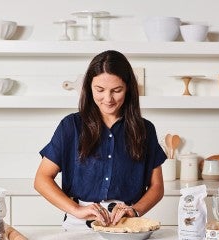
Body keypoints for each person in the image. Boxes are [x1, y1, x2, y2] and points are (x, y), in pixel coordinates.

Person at [34, 50, 167, 229]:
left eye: (116, 90)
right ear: (89, 87)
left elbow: (157, 186)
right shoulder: (71, 126)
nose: (108, 99)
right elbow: (42, 179)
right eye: (100, 90)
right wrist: (76, 209)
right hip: (79, 225)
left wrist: (134, 211)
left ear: (128, 88)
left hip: (126, 225)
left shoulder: (145, 129)